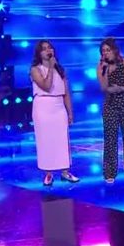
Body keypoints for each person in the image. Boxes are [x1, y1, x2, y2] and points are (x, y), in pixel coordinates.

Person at [30, 40, 79, 186]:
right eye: (44, 49)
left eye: (49, 48)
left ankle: (65, 172)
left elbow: (66, 93)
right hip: (43, 107)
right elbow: (46, 86)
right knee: (45, 140)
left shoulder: (61, 70)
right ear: (39, 53)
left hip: (59, 107)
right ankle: (48, 173)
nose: (48, 50)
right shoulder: (35, 69)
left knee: (62, 140)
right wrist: (50, 67)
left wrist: (70, 113)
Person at [96, 37, 124, 183]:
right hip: (110, 106)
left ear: (114, 50)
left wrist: (119, 88)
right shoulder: (101, 67)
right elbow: (104, 88)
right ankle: (109, 173)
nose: (106, 53)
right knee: (110, 140)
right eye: (103, 51)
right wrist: (104, 71)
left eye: (108, 50)